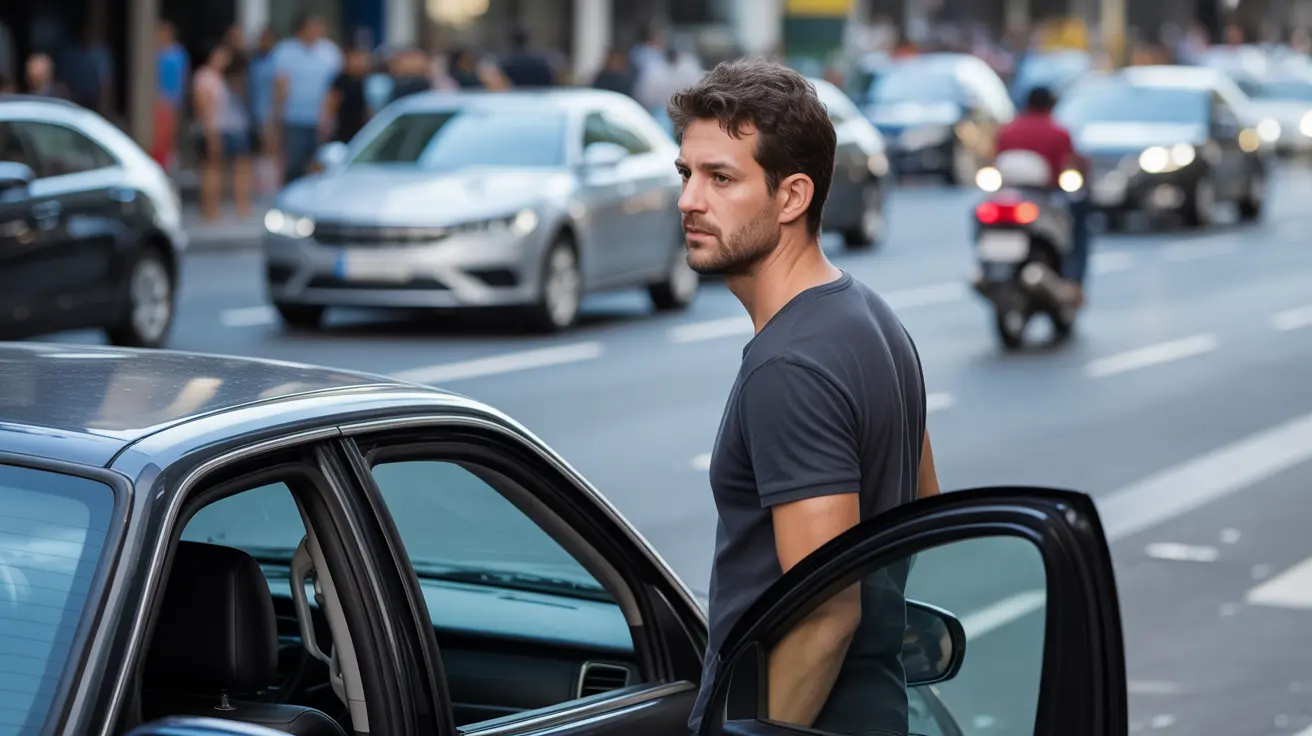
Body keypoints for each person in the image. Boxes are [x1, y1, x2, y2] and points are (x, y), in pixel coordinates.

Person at [670, 58, 941, 735]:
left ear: (792, 197)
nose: (688, 201)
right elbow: (924, 506)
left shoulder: (790, 365)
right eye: (687, 174)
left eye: (720, 178)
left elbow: (827, 612)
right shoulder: (869, 315)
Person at [995, 85, 1090, 305]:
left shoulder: (1008, 130)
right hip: (1045, 196)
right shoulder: (1058, 132)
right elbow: (1072, 165)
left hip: (1010, 194)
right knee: (1078, 221)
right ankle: (1072, 279)